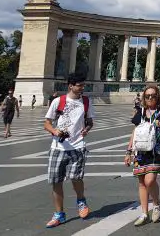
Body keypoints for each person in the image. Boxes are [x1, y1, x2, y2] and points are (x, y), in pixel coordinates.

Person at [43, 72, 94, 228]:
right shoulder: (58, 101)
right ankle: (59, 214)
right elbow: (47, 123)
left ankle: (81, 200)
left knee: (76, 177)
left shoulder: (86, 101)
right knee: (55, 181)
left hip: (77, 147)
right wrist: (55, 131)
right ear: (70, 85)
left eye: (83, 85)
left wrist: (86, 129)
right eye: (80, 85)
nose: (82, 88)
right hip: (58, 146)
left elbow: (90, 121)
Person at [124, 84, 160, 226]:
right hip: (140, 150)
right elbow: (135, 132)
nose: (150, 98)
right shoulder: (140, 111)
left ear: (158, 96)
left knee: (149, 180)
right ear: (144, 98)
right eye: (147, 96)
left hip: (157, 150)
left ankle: (156, 204)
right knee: (141, 182)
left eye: (153, 95)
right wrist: (128, 151)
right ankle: (144, 213)